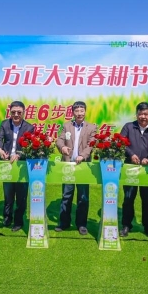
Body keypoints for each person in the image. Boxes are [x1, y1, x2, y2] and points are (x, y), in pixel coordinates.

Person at [119, 102, 148, 239]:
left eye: (146, 114)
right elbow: (122, 143)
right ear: (136, 114)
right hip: (130, 168)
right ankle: (126, 225)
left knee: (147, 199)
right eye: (140, 113)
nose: (143, 116)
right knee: (128, 198)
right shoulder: (128, 127)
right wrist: (131, 154)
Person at [54, 101, 97, 235]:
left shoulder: (92, 127)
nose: (79, 113)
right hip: (68, 165)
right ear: (73, 112)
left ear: (85, 112)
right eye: (77, 111)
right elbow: (59, 140)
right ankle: (64, 222)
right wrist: (62, 147)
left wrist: (83, 155)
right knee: (66, 195)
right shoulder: (66, 126)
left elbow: (91, 144)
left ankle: (81, 224)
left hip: (83, 167)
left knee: (83, 197)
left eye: (81, 111)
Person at [0, 101, 35, 232]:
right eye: (13, 112)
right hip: (7, 163)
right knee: (8, 194)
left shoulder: (29, 128)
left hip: (21, 165)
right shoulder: (4, 124)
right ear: (10, 112)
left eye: (19, 112)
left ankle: (18, 221)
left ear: (23, 112)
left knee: (21, 195)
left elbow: (30, 146)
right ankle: (7, 218)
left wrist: (19, 154)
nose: (16, 115)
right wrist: (0, 149)